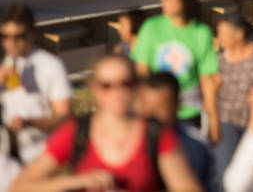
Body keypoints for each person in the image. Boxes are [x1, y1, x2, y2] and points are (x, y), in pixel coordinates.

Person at [13, 54, 201, 192]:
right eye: (106, 86)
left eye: (125, 83)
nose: (116, 92)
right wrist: (77, 182)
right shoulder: (77, 131)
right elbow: (21, 186)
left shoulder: (155, 134)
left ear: (135, 86)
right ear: (94, 89)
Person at [132, 0, 219, 140]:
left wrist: (213, 121)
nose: (164, 3)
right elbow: (142, 71)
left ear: (185, 1)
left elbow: (207, 80)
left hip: (189, 110)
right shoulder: (151, 27)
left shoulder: (201, 32)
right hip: (156, 110)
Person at [0, 3, 72, 165]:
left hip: (40, 155)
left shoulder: (50, 65)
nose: (11, 43)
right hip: (6, 159)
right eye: (5, 37)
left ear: (32, 34)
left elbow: (64, 117)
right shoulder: (3, 62)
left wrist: (29, 122)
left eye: (19, 37)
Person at [137, 71, 216, 191]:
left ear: (177, 104)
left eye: (160, 107)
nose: (151, 114)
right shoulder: (129, 138)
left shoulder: (195, 144)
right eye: (147, 106)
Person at [214, 12, 253, 182]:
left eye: (223, 32)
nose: (220, 37)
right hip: (226, 120)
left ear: (239, 34)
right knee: (226, 172)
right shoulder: (219, 60)